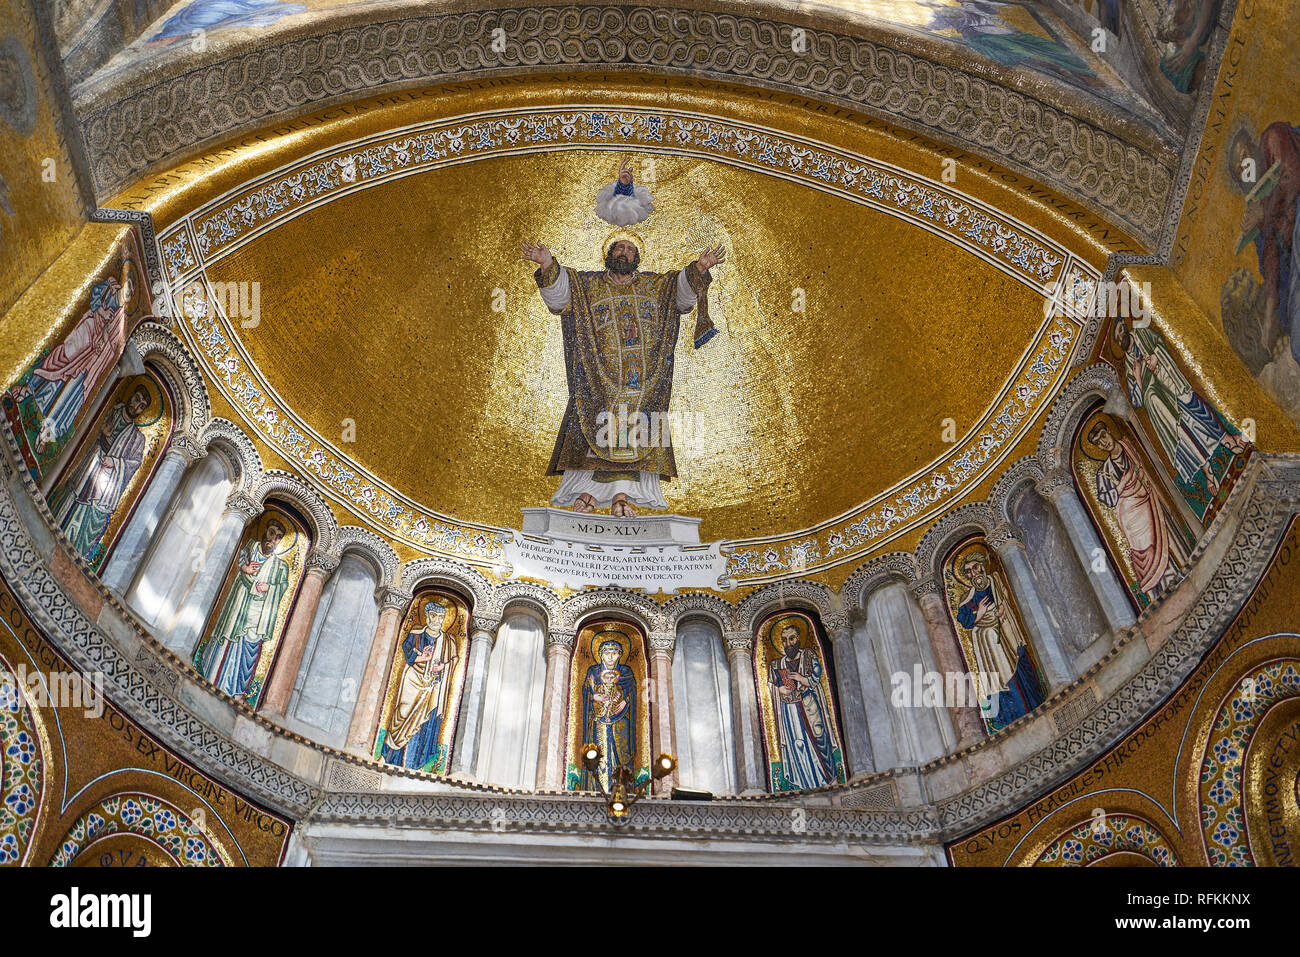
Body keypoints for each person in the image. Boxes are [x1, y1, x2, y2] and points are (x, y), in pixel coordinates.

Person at [522, 157, 724, 517]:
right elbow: (561, 297)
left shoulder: (654, 286)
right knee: (592, 426)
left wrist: (699, 269)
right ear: (609, 255)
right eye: (619, 248)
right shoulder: (587, 285)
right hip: (597, 380)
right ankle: (584, 497)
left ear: (637, 257)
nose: (625, 253)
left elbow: (681, 295)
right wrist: (548, 265)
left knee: (639, 430)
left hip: (644, 384)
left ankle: (622, 499)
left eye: (630, 250)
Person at [1087, 419, 1192, 598]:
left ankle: (1188, 566)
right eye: (1098, 442)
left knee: (1169, 536)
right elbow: (1108, 499)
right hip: (1133, 518)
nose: (1103, 442)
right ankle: (1165, 589)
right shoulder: (1103, 472)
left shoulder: (1130, 446)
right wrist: (1123, 483)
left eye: (1103, 436)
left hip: (1152, 500)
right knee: (1147, 549)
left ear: (1108, 430)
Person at [49, 383, 152, 565]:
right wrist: (102, 435)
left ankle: (74, 557)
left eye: (142, 405)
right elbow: (89, 425)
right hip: (88, 468)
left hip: (106, 486)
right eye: (137, 399)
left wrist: (115, 462)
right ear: (131, 395)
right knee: (72, 497)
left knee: (90, 515)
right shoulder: (112, 410)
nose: (136, 406)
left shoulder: (138, 438)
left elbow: (134, 463)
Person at [197, 519, 291, 698]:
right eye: (272, 533)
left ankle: (237, 692)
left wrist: (269, 589)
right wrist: (243, 568)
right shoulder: (249, 548)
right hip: (236, 607)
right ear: (264, 531)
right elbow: (236, 562)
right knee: (225, 641)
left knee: (247, 649)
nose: (274, 539)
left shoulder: (281, 566)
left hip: (256, 620)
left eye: (279, 537)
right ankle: (210, 676)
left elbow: (282, 587)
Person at [380, 599, 459, 771]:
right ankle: (389, 756)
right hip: (412, 681)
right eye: (433, 616)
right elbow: (407, 653)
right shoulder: (415, 634)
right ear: (426, 616)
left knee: (425, 722)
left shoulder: (448, 641)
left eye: (441, 617)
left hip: (433, 687)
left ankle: (416, 764)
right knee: (402, 713)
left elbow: (453, 661)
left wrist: (442, 667)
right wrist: (422, 658)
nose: (437, 621)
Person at [767, 620, 839, 789]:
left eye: (791, 639)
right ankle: (803, 784)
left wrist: (801, 679)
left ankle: (830, 779)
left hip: (809, 704)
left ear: (798, 638)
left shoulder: (809, 655)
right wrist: (779, 690)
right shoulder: (776, 664)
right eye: (784, 640)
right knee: (797, 744)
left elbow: (816, 677)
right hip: (789, 709)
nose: (788, 643)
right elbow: (771, 684)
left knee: (820, 738)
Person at [578, 637, 637, 791]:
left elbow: (633, 692)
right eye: (607, 653)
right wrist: (593, 696)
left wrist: (626, 702)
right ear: (600, 654)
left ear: (620, 655)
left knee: (621, 755)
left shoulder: (626, 672)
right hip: (599, 720)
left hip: (621, 720)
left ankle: (623, 789)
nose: (610, 657)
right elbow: (586, 691)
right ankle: (596, 788)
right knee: (599, 754)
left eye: (615, 653)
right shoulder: (594, 671)